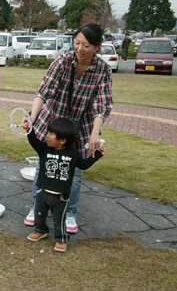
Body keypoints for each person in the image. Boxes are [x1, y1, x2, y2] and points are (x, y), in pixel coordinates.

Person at [22, 23, 113, 234]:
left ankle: (70, 212)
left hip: (80, 127)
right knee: (45, 165)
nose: (80, 48)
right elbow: (43, 91)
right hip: (53, 123)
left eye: (86, 45)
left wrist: (94, 133)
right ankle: (37, 208)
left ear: (97, 46)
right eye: (77, 43)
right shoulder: (62, 62)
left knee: (76, 170)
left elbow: (102, 104)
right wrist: (32, 117)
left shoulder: (102, 70)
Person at [24, 118, 106, 253]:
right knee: (39, 214)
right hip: (42, 192)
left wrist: (97, 155)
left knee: (59, 220)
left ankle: (61, 239)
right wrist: (29, 130)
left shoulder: (73, 153)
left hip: (61, 196)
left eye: (50, 134)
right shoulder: (44, 149)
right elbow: (33, 141)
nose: (46, 136)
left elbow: (83, 165)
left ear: (62, 140)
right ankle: (40, 230)